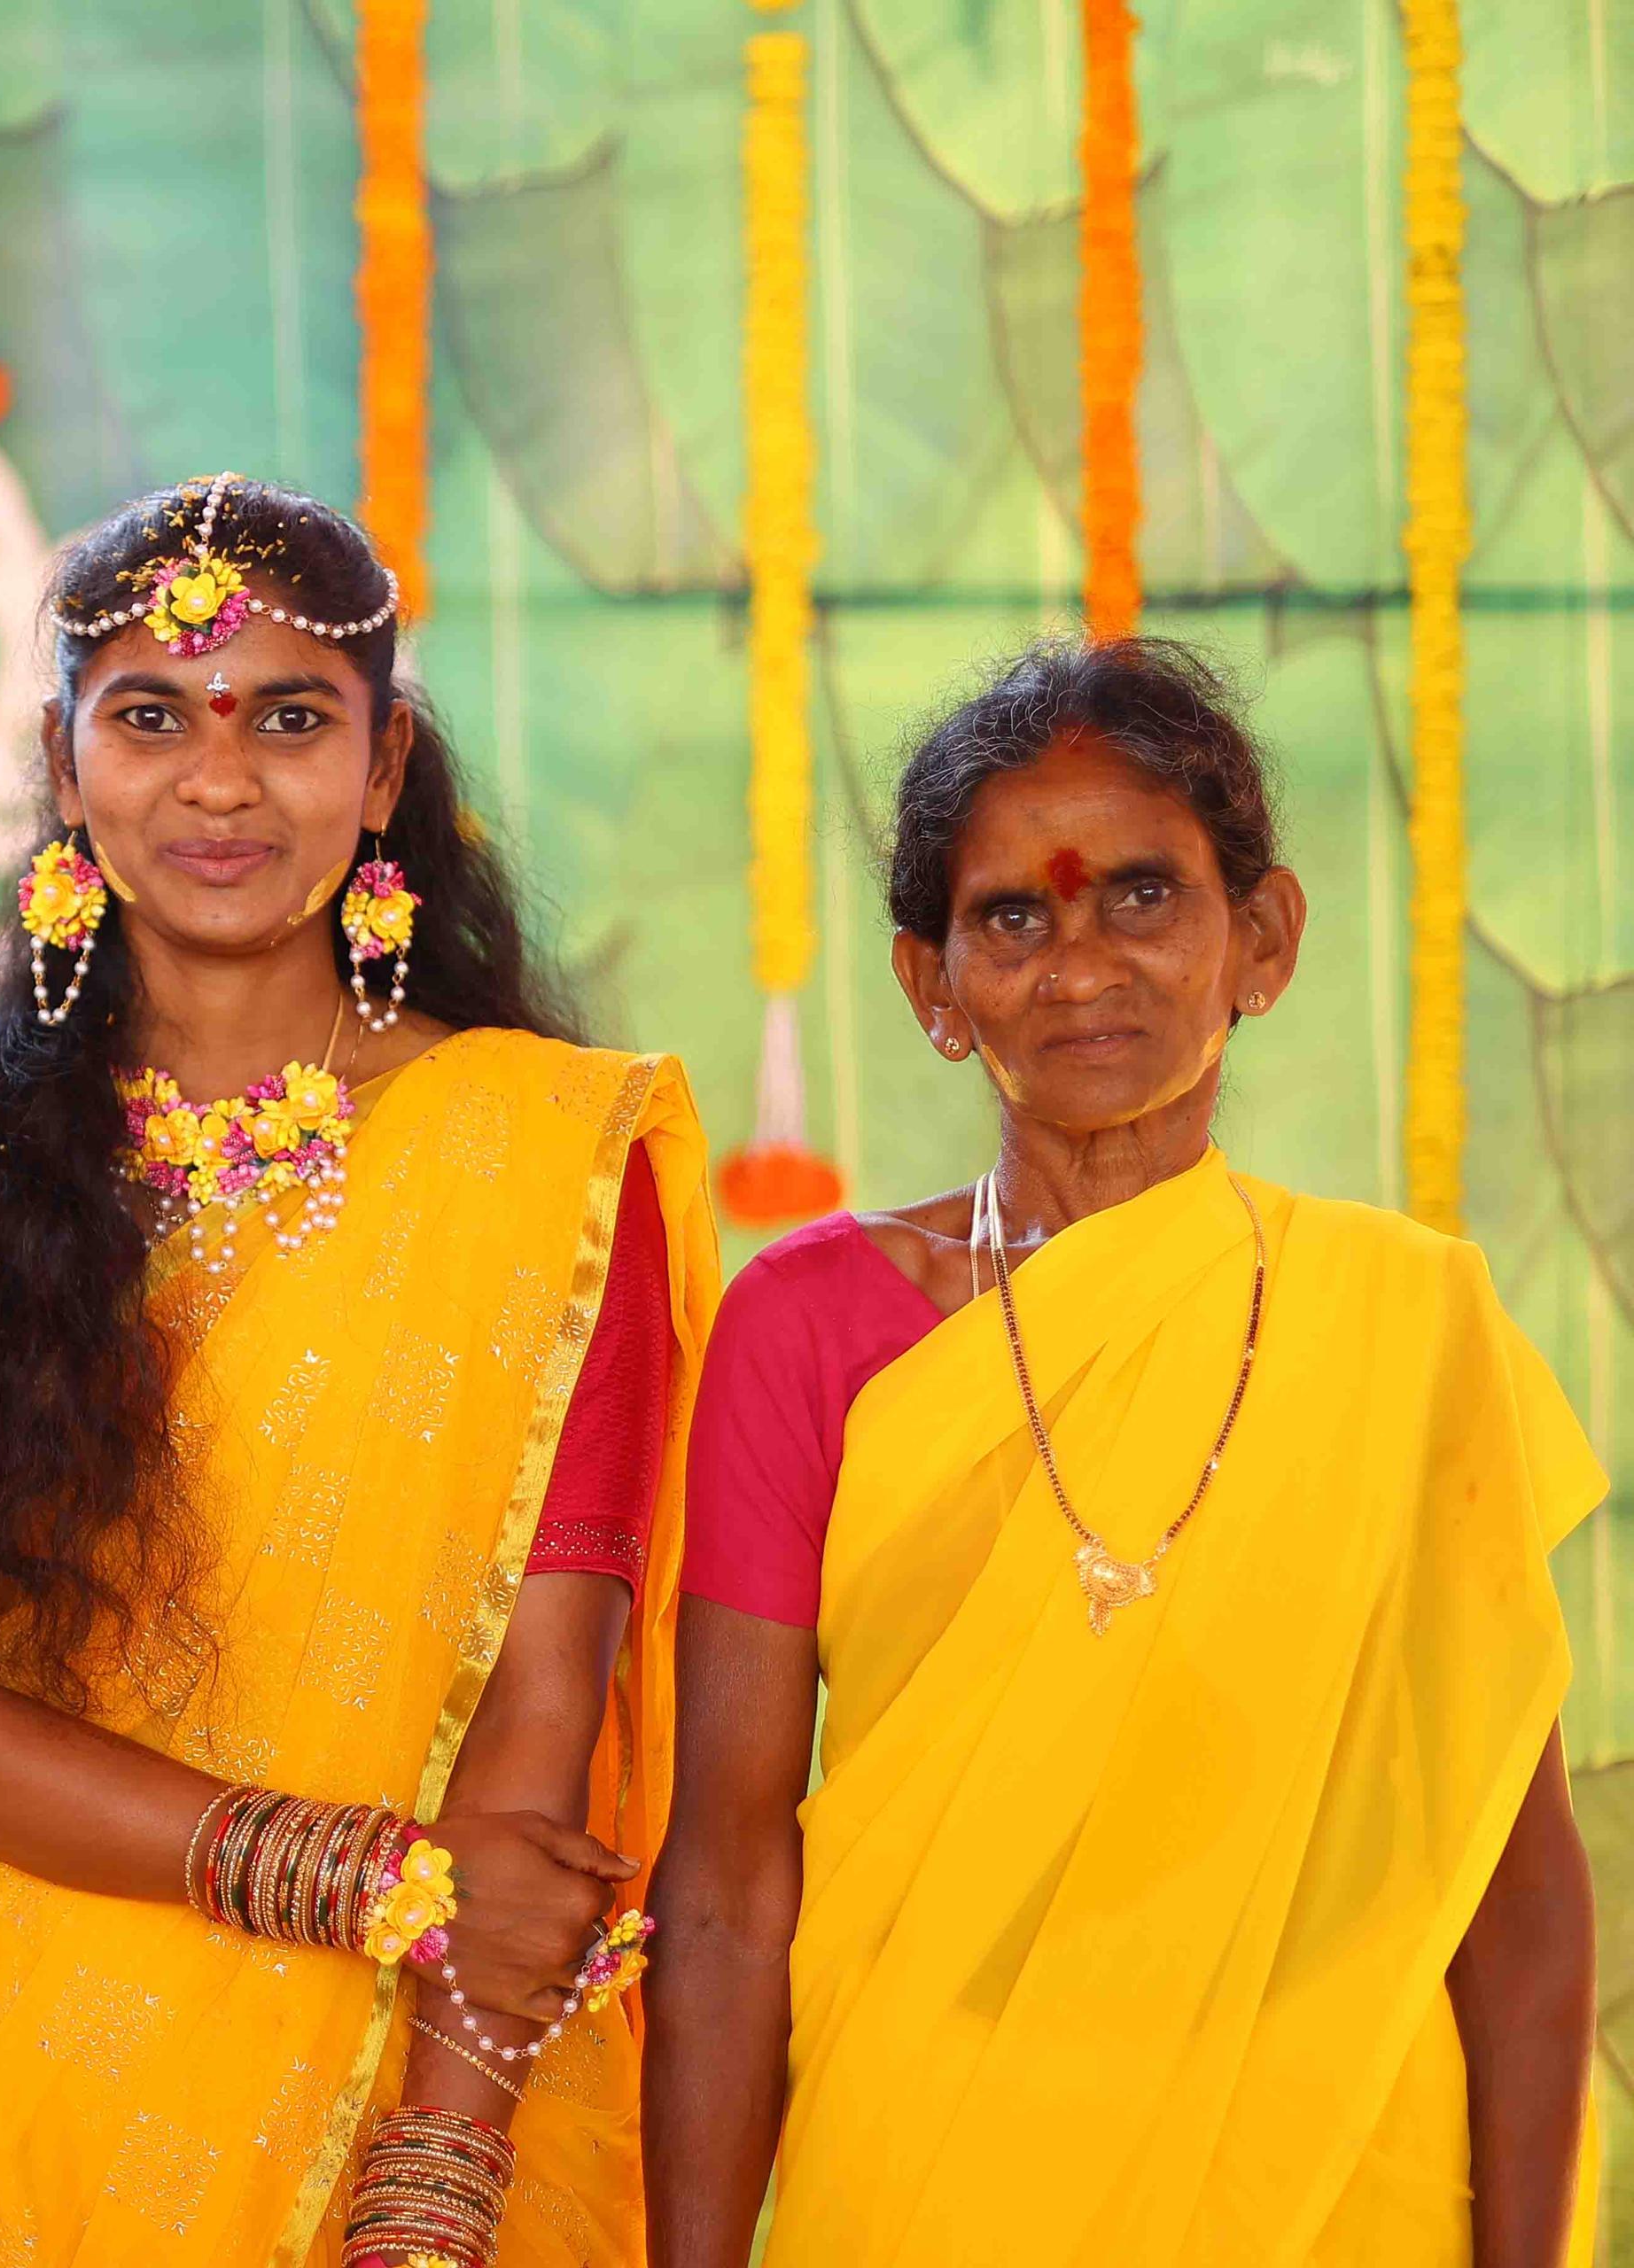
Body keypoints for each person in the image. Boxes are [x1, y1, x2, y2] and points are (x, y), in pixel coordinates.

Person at [0, 474, 717, 2268]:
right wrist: (357, 1873)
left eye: (289, 720)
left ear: (382, 767)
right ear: (63, 766)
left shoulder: (546, 1155)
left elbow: (544, 1708)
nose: (220, 783)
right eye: (152, 718)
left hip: (441, 2065)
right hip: (29, 2077)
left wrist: (437, 2180)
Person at [644, 637, 1605, 2268]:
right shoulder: (809, 1327)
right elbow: (728, 1885)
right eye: (1013, 918)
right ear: (933, 986)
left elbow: (1511, 1895)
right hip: (927, 2175)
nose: (1080, 964)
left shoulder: (1404, 1322)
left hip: (1323, 2183)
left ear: (1263, 939)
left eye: (1144, 896)